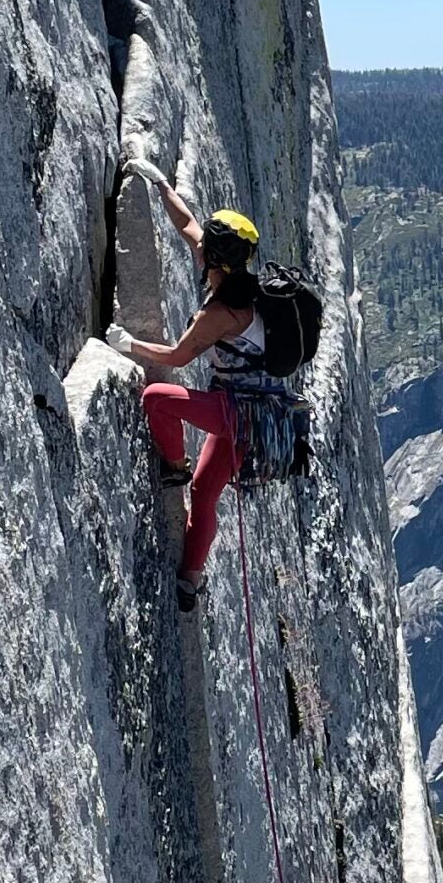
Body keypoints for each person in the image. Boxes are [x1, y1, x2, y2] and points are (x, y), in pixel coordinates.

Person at [106, 157, 277, 611]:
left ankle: (175, 464)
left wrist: (130, 345)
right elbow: (186, 225)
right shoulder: (237, 276)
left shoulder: (224, 312)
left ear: (216, 260)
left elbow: (178, 357)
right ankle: (190, 580)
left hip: (238, 413)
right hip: (249, 412)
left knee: (157, 399)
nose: (200, 249)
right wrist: (160, 183)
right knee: (204, 496)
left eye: (208, 249)